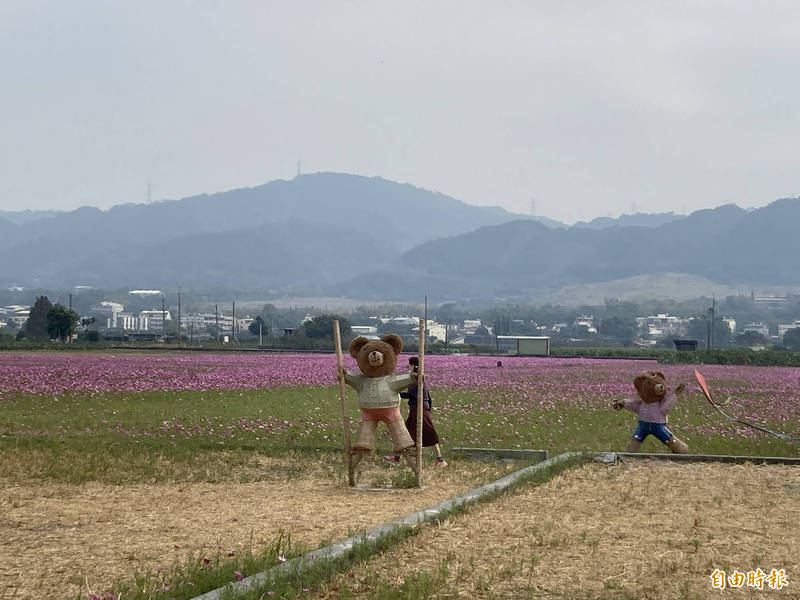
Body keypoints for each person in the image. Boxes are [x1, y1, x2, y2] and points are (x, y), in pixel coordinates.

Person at [384, 356, 447, 467]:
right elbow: (428, 397)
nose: (408, 366)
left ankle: (440, 460)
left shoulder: (417, 378)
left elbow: (411, 394)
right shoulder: (419, 378)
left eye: (410, 364)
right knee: (406, 433)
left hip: (419, 410)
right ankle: (396, 457)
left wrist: (396, 393)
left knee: (428, 433)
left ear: (413, 366)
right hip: (420, 409)